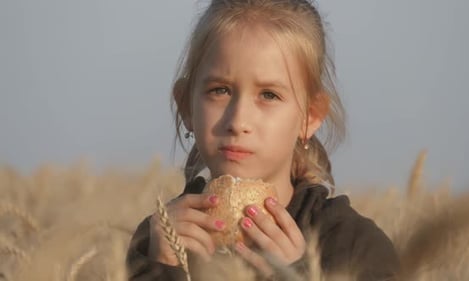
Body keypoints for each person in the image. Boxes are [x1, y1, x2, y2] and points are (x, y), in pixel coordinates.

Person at [126, 1, 400, 280]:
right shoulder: (160, 237)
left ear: (310, 116)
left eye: (269, 95)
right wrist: (161, 268)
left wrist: (298, 274)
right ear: (186, 105)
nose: (238, 121)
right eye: (219, 90)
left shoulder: (354, 246)